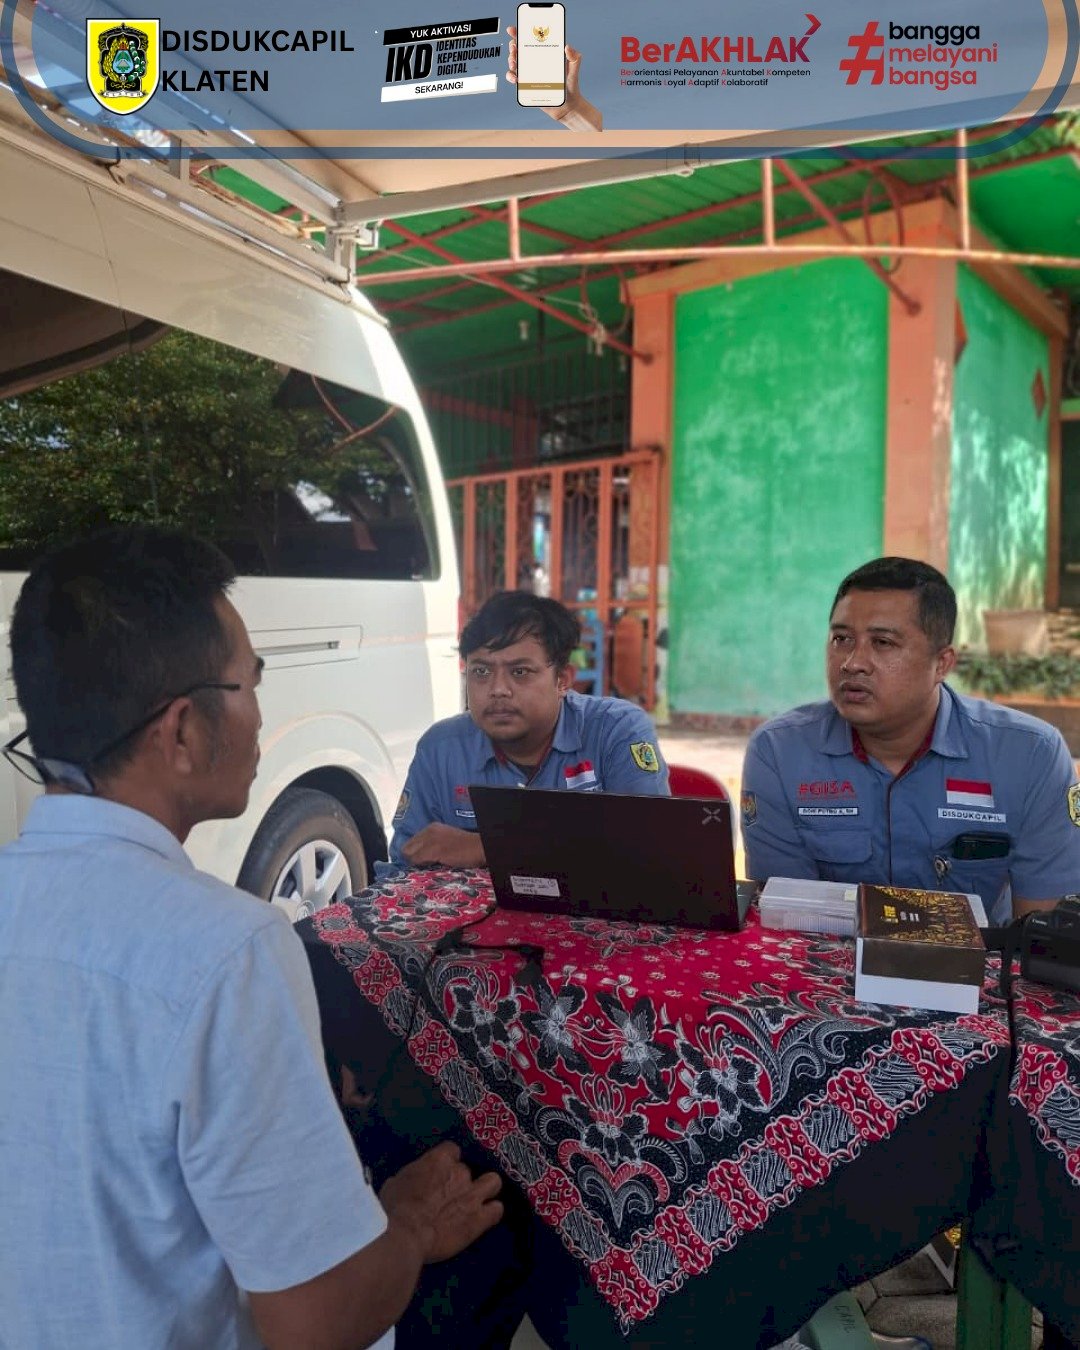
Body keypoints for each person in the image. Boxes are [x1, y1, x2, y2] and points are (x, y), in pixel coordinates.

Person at [0, 525, 503, 1349]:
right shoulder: (228, 951)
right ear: (183, 732)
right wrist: (409, 1225)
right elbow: (316, 1322)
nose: (261, 712)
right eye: (252, 682)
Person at [741, 556, 1080, 923]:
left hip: (978, 959)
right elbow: (785, 921)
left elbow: (1042, 935)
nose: (852, 662)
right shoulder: (779, 753)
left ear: (942, 664)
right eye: (842, 639)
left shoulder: (1030, 756)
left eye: (882, 642)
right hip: (823, 957)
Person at [391, 590, 669, 866]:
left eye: (520, 672)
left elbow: (650, 850)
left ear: (562, 680)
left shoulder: (616, 731)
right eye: (481, 672)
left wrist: (486, 847)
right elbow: (401, 870)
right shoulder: (441, 749)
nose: (498, 689)